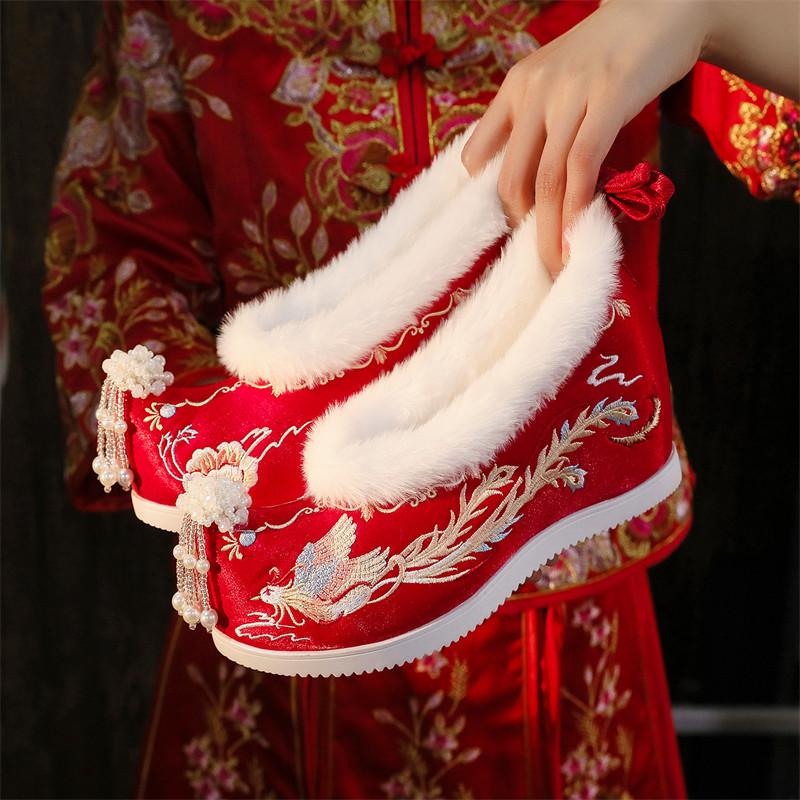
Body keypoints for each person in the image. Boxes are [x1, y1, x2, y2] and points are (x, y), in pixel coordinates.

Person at [42, 1, 798, 797]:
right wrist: (220, 465)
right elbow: (120, 233)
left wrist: (697, 10)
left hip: (565, 574)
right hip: (285, 556)